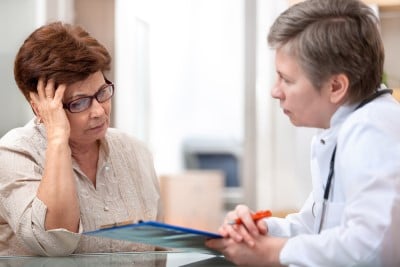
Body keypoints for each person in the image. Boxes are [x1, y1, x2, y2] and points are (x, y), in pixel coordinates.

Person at [206, 0, 400, 266]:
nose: (275, 91)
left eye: (286, 79)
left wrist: (271, 253)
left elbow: (372, 246)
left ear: (335, 86)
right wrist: (258, 231)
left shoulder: (370, 130)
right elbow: (315, 227)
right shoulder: (347, 127)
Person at [0, 21, 163, 256]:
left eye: (102, 93)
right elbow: (55, 243)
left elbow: (158, 250)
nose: (98, 111)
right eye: (79, 102)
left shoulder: (135, 150)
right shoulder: (14, 154)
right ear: (41, 109)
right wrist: (57, 137)